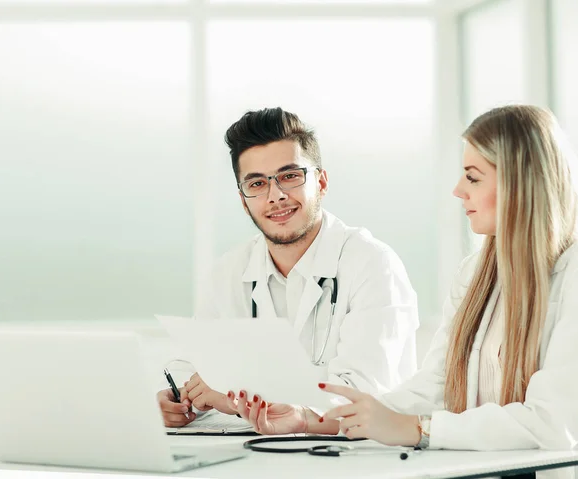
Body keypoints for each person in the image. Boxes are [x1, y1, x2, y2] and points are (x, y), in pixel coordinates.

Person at [229, 105, 578, 461]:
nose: (458, 190)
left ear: (519, 184)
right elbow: (434, 388)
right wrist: (311, 418)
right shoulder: (475, 274)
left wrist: (419, 430)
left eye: (473, 177)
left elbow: (554, 423)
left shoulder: (572, 277)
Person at [158, 107, 419, 429]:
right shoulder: (229, 272)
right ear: (243, 200)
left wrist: (232, 398)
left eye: (290, 176)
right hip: (259, 455)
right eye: (256, 184)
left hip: (357, 460)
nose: (276, 196)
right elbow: (195, 367)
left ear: (321, 182)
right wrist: (180, 400)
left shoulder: (373, 264)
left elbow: (365, 394)